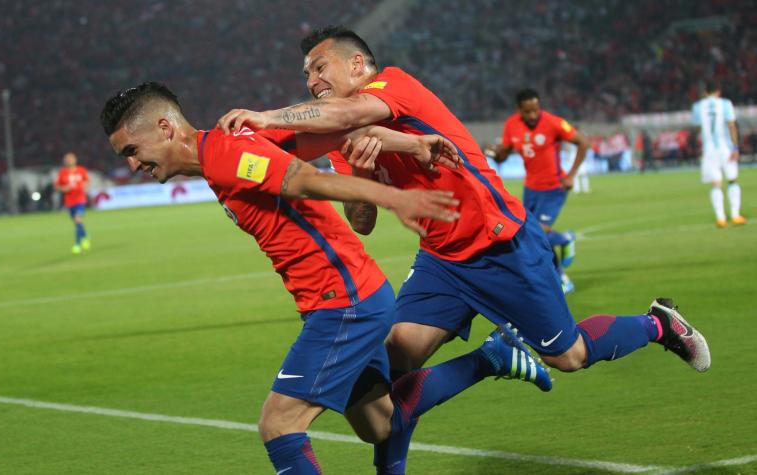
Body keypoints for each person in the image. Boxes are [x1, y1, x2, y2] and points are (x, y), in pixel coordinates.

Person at [217, 25, 711, 474]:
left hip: (502, 246)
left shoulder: (392, 85)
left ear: (356, 65)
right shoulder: (343, 137)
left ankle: (659, 324)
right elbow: (362, 222)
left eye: (318, 67)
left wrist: (264, 116)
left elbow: (343, 110)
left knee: (571, 356)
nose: (311, 80)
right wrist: (362, 168)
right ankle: (465, 388)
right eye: (305, 73)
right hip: (441, 259)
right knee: (390, 366)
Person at [101, 82, 551, 475]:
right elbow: (331, 135)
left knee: (278, 424)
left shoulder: (226, 153)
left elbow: (304, 179)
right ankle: (492, 358)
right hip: (348, 296)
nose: (133, 164)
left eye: (132, 151)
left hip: (344, 301)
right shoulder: (224, 151)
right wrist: (409, 145)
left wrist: (391, 196)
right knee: (378, 424)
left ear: (164, 128)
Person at [487, 89, 590, 294]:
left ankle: (564, 239)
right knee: (529, 236)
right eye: (528, 112)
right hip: (530, 189)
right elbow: (504, 155)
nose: (533, 115)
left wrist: (570, 176)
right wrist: (496, 154)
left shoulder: (553, 122)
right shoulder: (511, 125)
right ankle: (562, 278)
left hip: (553, 187)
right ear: (520, 110)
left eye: (536, 110)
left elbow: (583, 143)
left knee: (538, 232)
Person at [691, 80, 746, 227]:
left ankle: (721, 218)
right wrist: (735, 147)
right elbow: (731, 125)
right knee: (732, 180)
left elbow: (696, 128)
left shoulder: (697, 107)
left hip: (709, 150)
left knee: (716, 184)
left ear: (704, 93)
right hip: (726, 148)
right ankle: (735, 215)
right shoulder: (726, 104)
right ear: (718, 91)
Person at [55, 152, 91, 253]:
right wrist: (64, 188)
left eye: (70, 159)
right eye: (67, 159)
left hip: (80, 200)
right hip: (69, 202)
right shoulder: (62, 173)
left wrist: (85, 187)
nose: (69, 160)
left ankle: (77, 244)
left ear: (75, 160)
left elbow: (87, 181)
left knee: (78, 220)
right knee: (77, 223)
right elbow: (57, 187)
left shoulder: (81, 170)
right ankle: (85, 235)